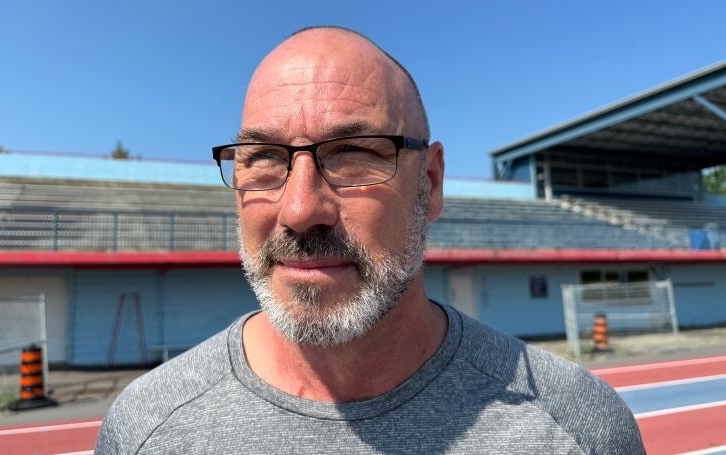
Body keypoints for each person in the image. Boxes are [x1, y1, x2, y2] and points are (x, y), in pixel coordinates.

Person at [96, 26, 645, 454]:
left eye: (355, 152)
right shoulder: (146, 429)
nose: (301, 209)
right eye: (263, 159)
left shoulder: (578, 429)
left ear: (429, 184)